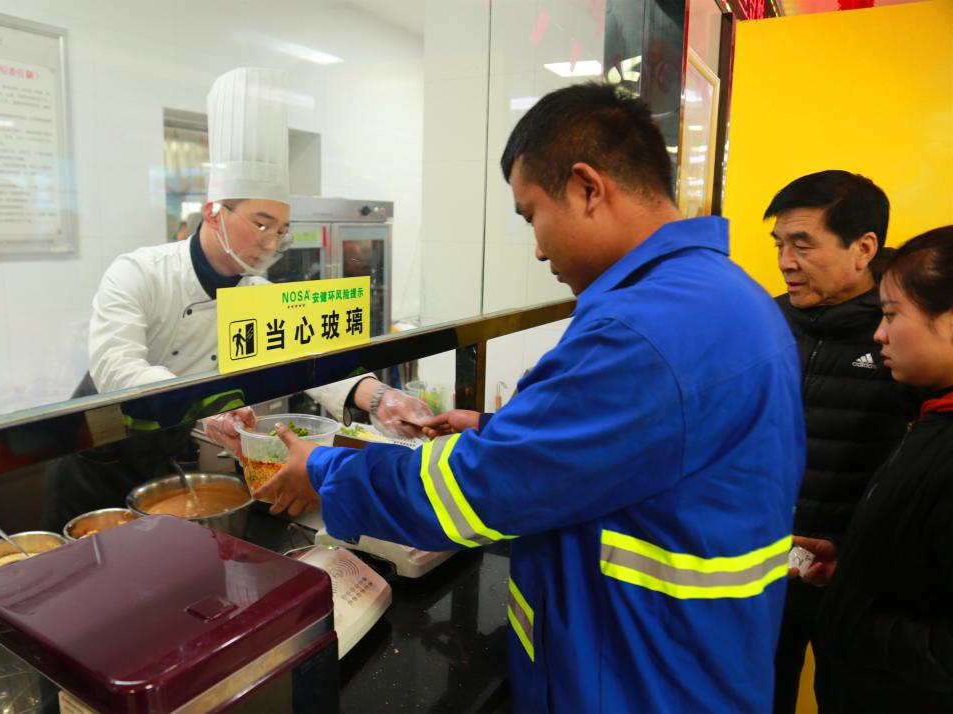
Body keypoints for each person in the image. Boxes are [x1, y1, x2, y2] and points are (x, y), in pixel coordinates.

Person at [259, 83, 804, 712]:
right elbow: (640, 443)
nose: (539, 248)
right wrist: (499, 426)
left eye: (531, 215)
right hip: (694, 660)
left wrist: (324, 469)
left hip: (637, 683)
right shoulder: (727, 296)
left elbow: (475, 490)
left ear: (587, 187)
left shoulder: (644, 331)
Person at [41, 68, 427, 529]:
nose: (271, 242)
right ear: (213, 212)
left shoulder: (257, 294)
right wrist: (208, 402)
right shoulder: (139, 272)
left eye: (281, 231)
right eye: (261, 224)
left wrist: (379, 397)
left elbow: (312, 358)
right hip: (97, 459)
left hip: (169, 452)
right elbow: (115, 367)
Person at [764, 171, 920, 713]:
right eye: (779, 244)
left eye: (803, 244)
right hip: (764, 567)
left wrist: (855, 557)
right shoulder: (765, 322)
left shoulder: (903, 334)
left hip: (859, 580)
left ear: (864, 248)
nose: (786, 261)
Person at [812, 226, 953, 712]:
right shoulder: (933, 418)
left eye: (892, 314)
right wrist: (851, 567)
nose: (879, 334)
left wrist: (855, 621)